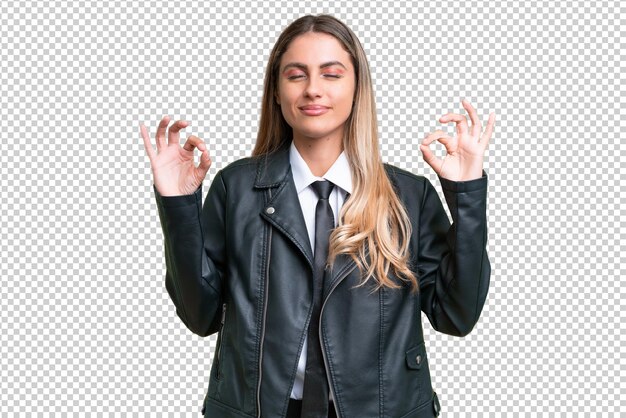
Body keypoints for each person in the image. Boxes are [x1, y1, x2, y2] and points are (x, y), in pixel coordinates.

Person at [140, 14, 494, 418]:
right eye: (296, 75)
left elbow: (457, 315)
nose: (313, 90)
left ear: (357, 87)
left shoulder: (409, 197)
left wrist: (467, 194)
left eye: (331, 74)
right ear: (276, 91)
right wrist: (178, 204)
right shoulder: (235, 189)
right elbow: (199, 315)